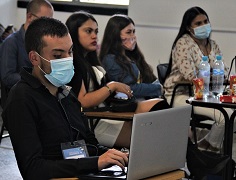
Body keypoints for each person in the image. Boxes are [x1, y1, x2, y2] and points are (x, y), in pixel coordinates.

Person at [2, 17, 128, 180]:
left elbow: (91, 145)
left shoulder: (67, 94)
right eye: (58, 55)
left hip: (82, 173)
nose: (68, 60)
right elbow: (33, 169)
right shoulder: (21, 98)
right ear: (34, 58)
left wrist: (116, 155)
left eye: (70, 51)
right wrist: (95, 163)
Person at [66, 11, 167, 148]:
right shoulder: (75, 63)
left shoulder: (90, 60)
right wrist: (111, 86)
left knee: (161, 108)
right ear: (73, 32)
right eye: (88, 31)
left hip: (106, 114)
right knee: (150, 140)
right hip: (93, 122)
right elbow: (83, 101)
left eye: (96, 31)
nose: (94, 36)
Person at [164, 6, 232, 152]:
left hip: (207, 94)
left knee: (233, 115)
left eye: (205, 21)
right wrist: (214, 74)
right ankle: (207, 151)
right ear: (189, 27)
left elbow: (224, 72)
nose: (204, 26)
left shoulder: (212, 44)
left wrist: (212, 75)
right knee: (224, 116)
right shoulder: (183, 43)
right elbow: (191, 76)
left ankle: (205, 149)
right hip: (182, 94)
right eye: (198, 23)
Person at [99, 14, 163, 100]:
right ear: (115, 35)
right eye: (128, 32)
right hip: (127, 105)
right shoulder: (110, 59)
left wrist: (161, 85)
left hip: (142, 100)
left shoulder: (131, 55)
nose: (133, 36)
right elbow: (129, 88)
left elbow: (148, 78)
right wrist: (159, 88)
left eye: (134, 32)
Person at [0, 0, 54, 89]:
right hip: (19, 97)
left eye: (50, 22)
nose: (47, 27)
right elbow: (8, 77)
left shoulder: (42, 42)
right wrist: (37, 79)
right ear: (29, 16)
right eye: (43, 21)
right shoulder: (11, 42)